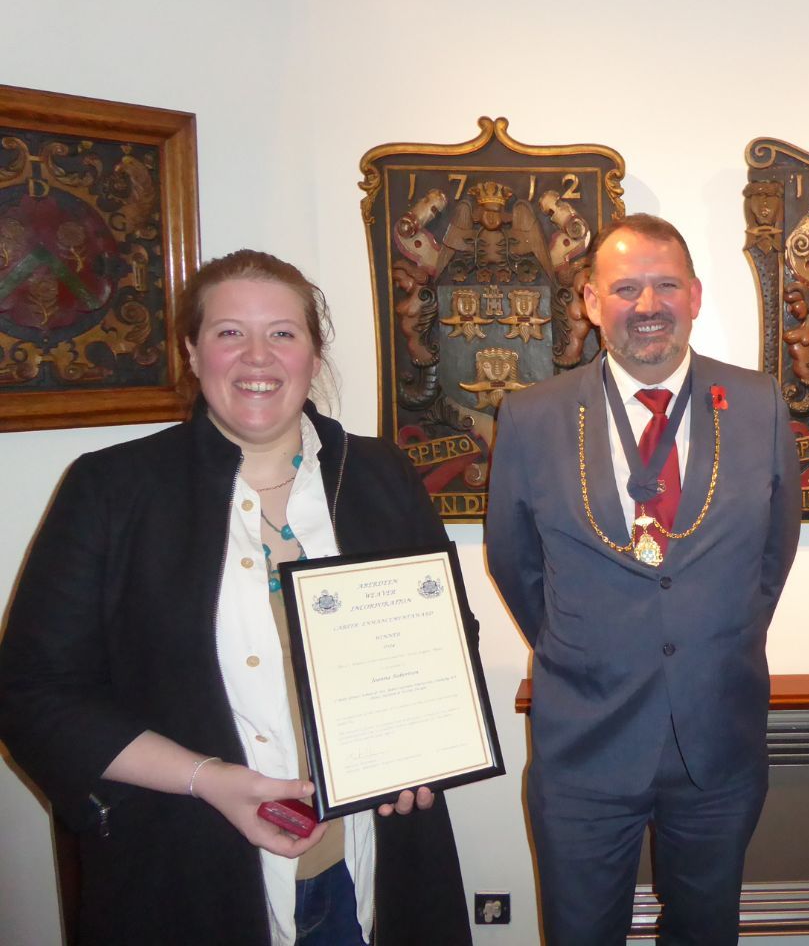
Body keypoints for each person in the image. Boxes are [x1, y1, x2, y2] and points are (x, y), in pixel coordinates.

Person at [0, 250, 473, 945]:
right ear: (192, 352)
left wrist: (424, 746)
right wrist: (207, 778)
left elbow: (446, 634)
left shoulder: (380, 474)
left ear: (314, 353)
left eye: (283, 333)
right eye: (229, 333)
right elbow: (31, 691)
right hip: (192, 872)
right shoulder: (112, 490)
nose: (258, 357)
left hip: (368, 863)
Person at [485, 214, 801, 945]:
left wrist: (708, 642)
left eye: (665, 285)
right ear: (592, 303)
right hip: (584, 744)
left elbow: (770, 558)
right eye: (625, 288)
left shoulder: (758, 403)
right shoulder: (531, 416)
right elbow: (514, 561)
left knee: (705, 933)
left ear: (693, 295)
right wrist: (592, 650)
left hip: (717, 740)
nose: (647, 305)